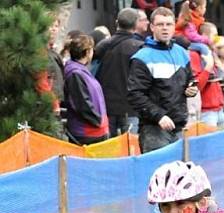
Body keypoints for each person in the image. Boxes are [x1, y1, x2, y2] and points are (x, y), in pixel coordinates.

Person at [128, 7, 197, 153]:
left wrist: (191, 89)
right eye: (160, 24)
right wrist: (159, 116)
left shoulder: (182, 53)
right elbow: (135, 95)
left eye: (168, 24)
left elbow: (190, 80)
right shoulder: (142, 57)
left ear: (174, 27)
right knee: (160, 173)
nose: (165, 28)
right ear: (152, 27)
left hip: (179, 126)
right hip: (154, 129)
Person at [94, 8, 144, 136]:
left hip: (106, 105)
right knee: (131, 148)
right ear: (136, 24)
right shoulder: (140, 48)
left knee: (109, 148)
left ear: (117, 22)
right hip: (131, 107)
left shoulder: (102, 46)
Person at [63, 33, 110, 145]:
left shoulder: (80, 71)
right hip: (87, 133)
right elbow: (82, 104)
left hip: (92, 130)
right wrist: (98, 121)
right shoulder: (75, 74)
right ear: (88, 52)